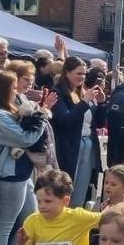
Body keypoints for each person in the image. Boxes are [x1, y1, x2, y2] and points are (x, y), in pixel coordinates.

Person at [0, 70, 57, 245]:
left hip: (24, 173)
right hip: (11, 174)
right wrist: (43, 114)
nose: (17, 91)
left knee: (26, 221)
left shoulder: (10, 110)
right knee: (6, 224)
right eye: (13, 87)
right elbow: (26, 137)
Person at [51, 57, 107, 209]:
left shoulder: (83, 92)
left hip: (88, 143)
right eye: (78, 73)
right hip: (69, 146)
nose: (82, 77)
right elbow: (65, 120)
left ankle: (75, 217)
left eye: (84, 74)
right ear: (67, 73)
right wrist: (84, 102)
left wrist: (101, 104)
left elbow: (100, 123)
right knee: (66, 187)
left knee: (81, 188)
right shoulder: (58, 93)